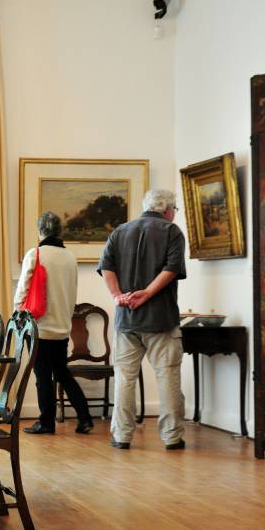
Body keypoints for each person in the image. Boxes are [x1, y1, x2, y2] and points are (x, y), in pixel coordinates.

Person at [97, 189, 187, 450]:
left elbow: (106, 266)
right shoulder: (171, 232)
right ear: (168, 209)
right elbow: (171, 269)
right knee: (167, 376)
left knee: (124, 378)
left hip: (127, 318)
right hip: (161, 318)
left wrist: (117, 296)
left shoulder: (120, 231)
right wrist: (147, 293)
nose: (174, 215)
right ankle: (172, 437)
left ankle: (122, 436)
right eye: (175, 210)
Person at [15, 211, 94, 435]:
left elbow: (22, 291)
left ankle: (46, 422)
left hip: (39, 326)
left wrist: (18, 316)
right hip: (62, 326)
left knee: (42, 376)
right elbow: (72, 290)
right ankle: (85, 417)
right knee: (62, 373)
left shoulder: (36, 254)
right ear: (60, 231)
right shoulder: (70, 257)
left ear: (40, 231)